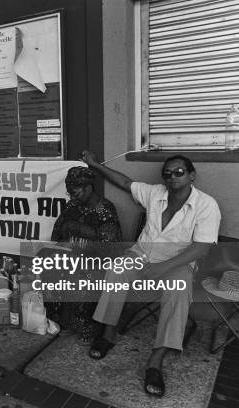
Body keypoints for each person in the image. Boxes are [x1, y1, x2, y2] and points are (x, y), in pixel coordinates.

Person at [81, 151, 221, 398]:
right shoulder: (155, 193)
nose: (172, 177)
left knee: (178, 290)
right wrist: (94, 165)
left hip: (178, 262)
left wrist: (161, 268)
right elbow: (124, 182)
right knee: (116, 271)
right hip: (142, 254)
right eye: (167, 173)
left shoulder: (207, 205)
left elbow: (201, 248)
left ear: (192, 176)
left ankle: (156, 359)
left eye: (179, 172)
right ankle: (109, 333)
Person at [49, 166, 122, 344]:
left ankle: (89, 328)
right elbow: (58, 231)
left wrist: (78, 247)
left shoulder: (105, 210)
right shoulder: (73, 205)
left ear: (88, 188)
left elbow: (109, 248)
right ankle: (63, 323)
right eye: (70, 194)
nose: (72, 197)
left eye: (75, 193)